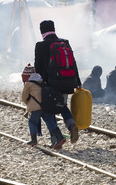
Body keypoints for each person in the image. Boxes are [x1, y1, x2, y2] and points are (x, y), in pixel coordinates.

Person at [34, 20, 80, 149]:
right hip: (69, 81)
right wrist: (78, 82)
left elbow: (38, 68)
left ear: (41, 31)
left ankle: (57, 138)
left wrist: (39, 83)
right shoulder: (64, 42)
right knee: (62, 105)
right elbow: (74, 63)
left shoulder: (41, 45)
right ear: (54, 29)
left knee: (47, 109)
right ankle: (71, 125)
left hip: (51, 83)